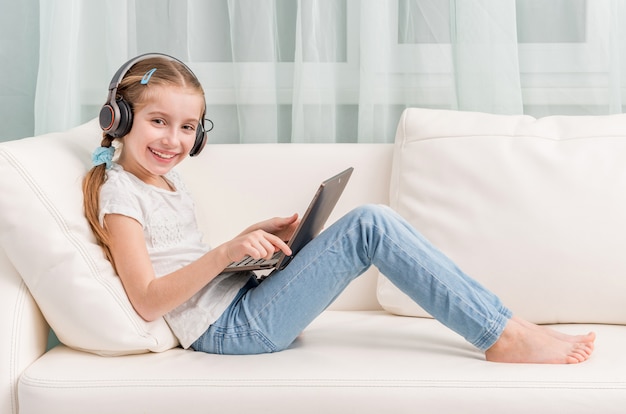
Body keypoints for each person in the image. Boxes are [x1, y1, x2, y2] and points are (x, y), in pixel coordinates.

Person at [83, 53, 595, 363]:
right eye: (157, 121)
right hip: (230, 332)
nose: (173, 139)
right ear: (119, 116)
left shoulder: (167, 186)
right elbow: (148, 301)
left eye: (187, 127)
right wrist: (223, 254)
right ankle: (501, 334)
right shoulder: (121, 194)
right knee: (371, 224)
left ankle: (508, 326)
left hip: (241, 303)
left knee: (368, 224)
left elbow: (186, 262)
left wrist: (250, 240)